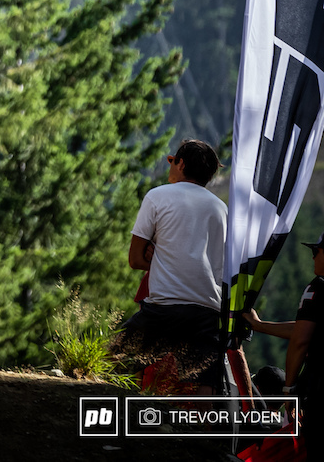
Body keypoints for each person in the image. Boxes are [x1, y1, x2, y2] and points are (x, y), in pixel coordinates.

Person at [115, 138, 227, 394]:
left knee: (110, 355)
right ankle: (201, 432)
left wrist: (161, 259)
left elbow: (135, 260)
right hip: (208, 310)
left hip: (164, 306)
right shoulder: (221, 209)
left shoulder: (157, 196)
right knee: (203, 387)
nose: (170, 165)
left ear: (181, 163)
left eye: (171, 160)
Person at [243, 232, 324, 431]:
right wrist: (259, 325)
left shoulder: (318, 286)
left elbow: (301, 339)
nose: (313, 256)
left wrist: (288, 390)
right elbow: (305, 329)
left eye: (316, 250)